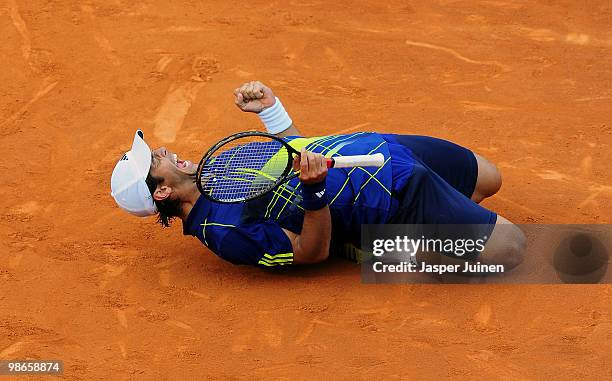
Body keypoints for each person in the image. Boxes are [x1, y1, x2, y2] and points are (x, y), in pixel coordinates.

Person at [110, 81, 525, 268]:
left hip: (380, 148)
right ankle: (393, 248)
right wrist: (313, 192)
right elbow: (310, 252)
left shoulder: (218, 169)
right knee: (512, 249)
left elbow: (295, 152)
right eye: (155, 159)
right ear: (163, 190)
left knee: (490, 181)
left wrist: (273, 112)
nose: (163, 150)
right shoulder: (224, 231)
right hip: (388, 194)